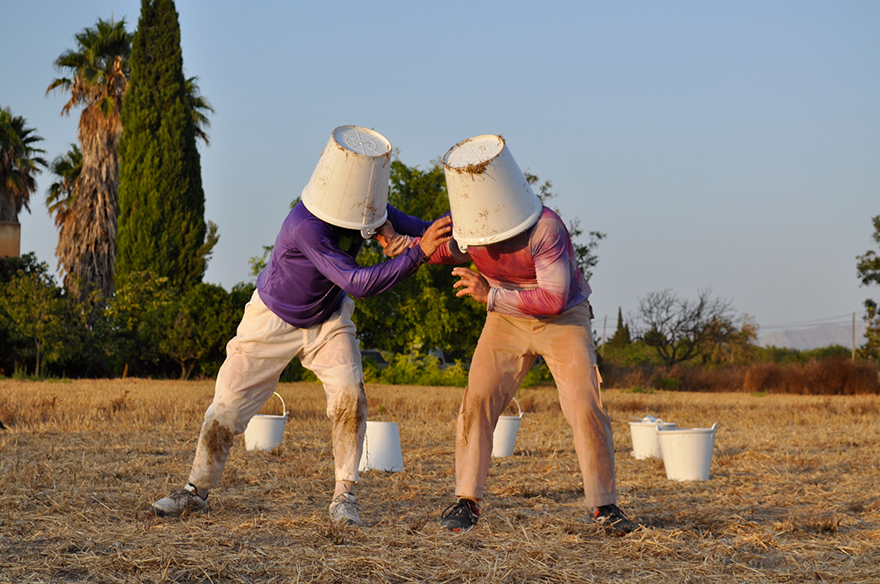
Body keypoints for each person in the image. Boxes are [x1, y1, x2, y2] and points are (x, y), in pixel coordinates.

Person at [150, 126, 451, 526]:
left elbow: (424, 228)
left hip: (327, 317)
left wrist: (468, 230)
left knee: (349, 395)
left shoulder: (370, 213)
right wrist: (418, 255)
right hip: (272, 319)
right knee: (225, 408)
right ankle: (196, 492)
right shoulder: (306, 225)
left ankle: (345, 495)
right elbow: (359, 283)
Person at [380, 134, 637, 535]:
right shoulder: (472, 228)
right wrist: (400, 243)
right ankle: (467, 501)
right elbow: (442, 249)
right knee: (478, 397)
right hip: (505, 317)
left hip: (562, 317)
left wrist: (490, 294)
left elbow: (552, 298)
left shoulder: (546, 229)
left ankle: (604, 507)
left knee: (585, 404)